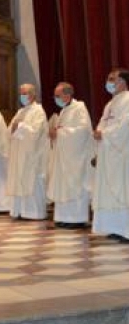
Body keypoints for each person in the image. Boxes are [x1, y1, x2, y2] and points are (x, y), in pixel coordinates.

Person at [47, 82, 94, 229]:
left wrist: (60, 133)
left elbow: (83, 130)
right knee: (63, 185)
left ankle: (76, 219)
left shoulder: (79, 108)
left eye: (58, 96)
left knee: (74, 185)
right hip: (64, 157)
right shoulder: (63, 111)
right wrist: (55, 134)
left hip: (75, 158)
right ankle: (63, 217)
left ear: (67, 95)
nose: (55, 98)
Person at [92, 69, 129, 242]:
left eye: (112, 79)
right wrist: (98, 132)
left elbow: (125, 125)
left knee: (123, 188)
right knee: (109, 190)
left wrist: (105, 134)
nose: (108, 82)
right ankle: (115, 227)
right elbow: (102, 122)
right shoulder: (110, 103)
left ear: (122, 81)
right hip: (108, 153)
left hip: (122, 154)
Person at [7, 84, 49, 220]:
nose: (22, 96)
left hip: (32, 155)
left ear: (33, 94)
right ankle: (20, 211)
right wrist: (13, 128)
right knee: (19, 180)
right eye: (21, 93)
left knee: (32, 181)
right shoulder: (20, 112)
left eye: (25, 93)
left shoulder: (38, 111)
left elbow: (36, 132)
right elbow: (10, 131)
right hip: (19, 154)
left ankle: (33, 213)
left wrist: (20, 126)